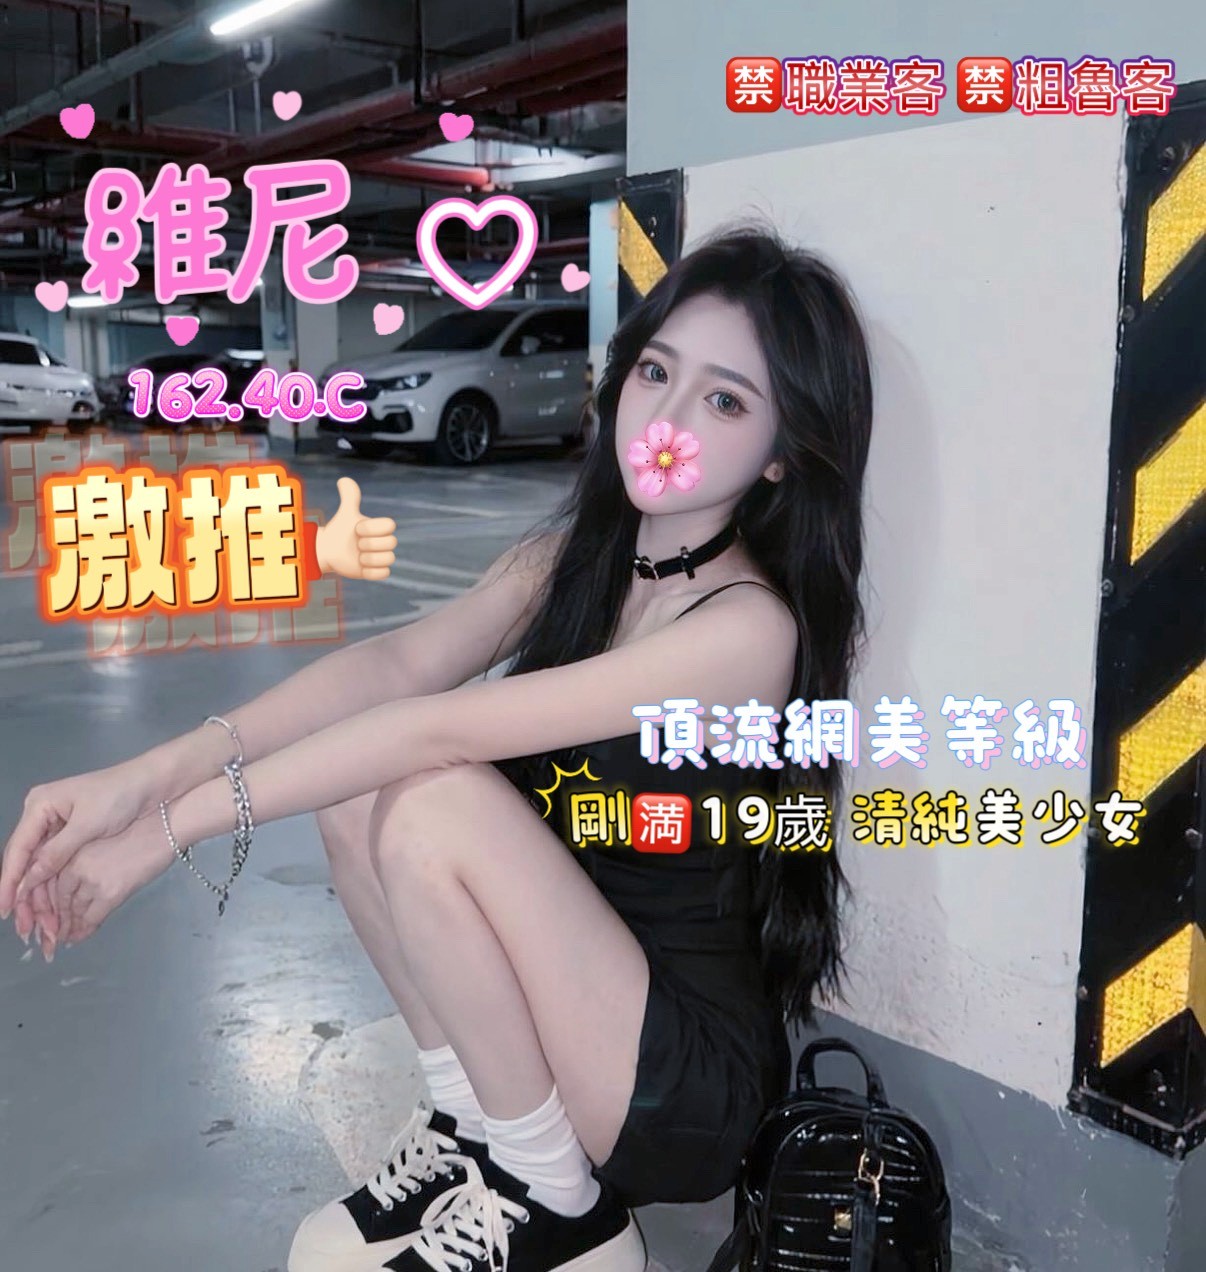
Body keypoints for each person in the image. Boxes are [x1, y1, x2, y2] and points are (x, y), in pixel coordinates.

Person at [0, 221, 874, 1272]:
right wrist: (144, 775)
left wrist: (160, 835)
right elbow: (398, 664)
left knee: (429, 797)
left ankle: (559, 1203)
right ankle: (477, 1128)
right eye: (656, 372)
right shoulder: (584, 558)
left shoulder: (746, 630)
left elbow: (435, 726)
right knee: (355, 788)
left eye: (724, 401)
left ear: (781, 453)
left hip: (673, 1079)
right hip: (565, 1008)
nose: (667, 421)